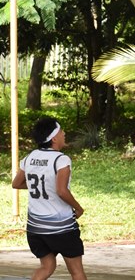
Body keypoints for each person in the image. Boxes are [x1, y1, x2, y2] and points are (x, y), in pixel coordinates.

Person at [11, 117, 87, 280]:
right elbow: (61, 191)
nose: (64, 133)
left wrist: (42, 186)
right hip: (61, 229)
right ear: (54, 138)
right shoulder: (61, 160)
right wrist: (79, 209)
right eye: (61, 131)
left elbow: (16, 183)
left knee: (47, 266)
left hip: (35, 229)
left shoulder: (30, 157)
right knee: (76, 271)